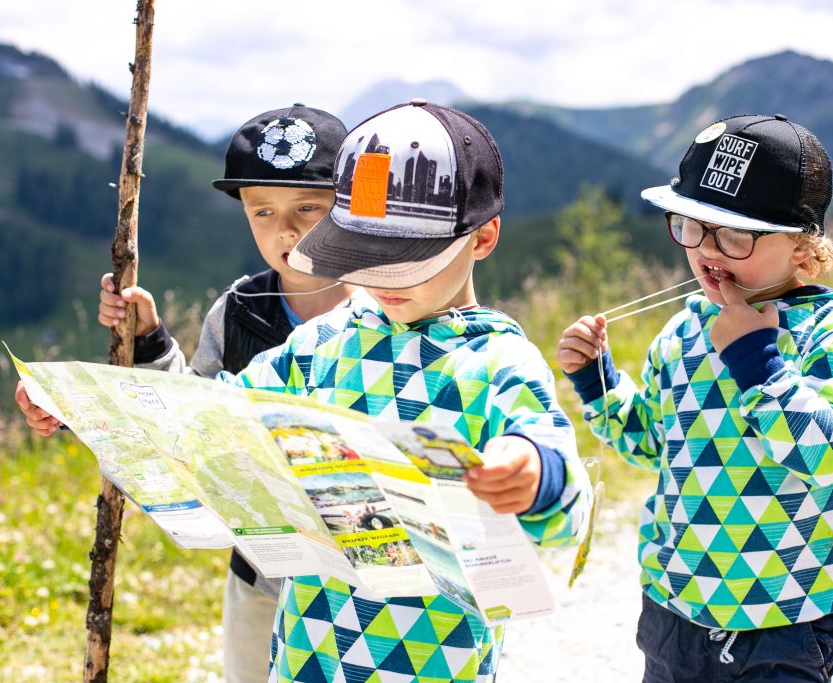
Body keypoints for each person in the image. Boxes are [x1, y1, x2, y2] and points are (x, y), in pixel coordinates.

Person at [221, 100, 591, 682]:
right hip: (308, 651)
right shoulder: (322, 343)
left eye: (408, 260)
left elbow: (562, 486)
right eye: (364, 257)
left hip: (434, 659)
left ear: (483, 237)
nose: (381, 280)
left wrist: (535, 474)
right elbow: (229, 407)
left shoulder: (497, 360)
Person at [16, 104, 368, 683]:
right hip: (262, 573)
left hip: (368, 579)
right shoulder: (236, 313)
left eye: (310, 206)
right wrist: (144, 342)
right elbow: (189, 416)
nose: (287, 229)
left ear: (348, 207)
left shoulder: (390, 308)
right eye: (263, 211)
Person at [557, 115, 833, 682]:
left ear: (804, 247)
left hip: (790, 613)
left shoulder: (832, 330)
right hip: (677, 608)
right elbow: (649, 444)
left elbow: (825, 455)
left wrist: (758, 360)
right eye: (692, 225)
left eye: (735, 234)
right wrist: (596, 379)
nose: (707, 249)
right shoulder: (682, 334)